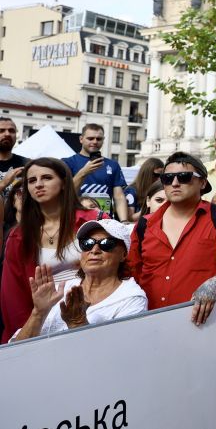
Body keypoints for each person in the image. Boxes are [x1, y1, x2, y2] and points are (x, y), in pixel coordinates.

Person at [128, 151, 216, 323]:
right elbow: (131, 271)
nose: (175, 183)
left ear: (202, 182)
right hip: (150, 320)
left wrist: (214, 283)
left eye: (184, 177)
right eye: (167, 178)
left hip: (203, 323)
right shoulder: (144, 224)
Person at [0, 158, 99, 342]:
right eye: (32, 180)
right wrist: (27, 335)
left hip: (97, 311)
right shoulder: (18, 236)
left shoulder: (94, 221)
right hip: (45, 320)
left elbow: (120, 269)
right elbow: (13, 296)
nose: (38, 184)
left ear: (64, 183)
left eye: (46, 177)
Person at [11, 219, 147, 341]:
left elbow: (120, 353)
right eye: (87, 243)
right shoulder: (58, 291)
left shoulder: (132, 299)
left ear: (124, 254)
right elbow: (17, 349)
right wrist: (39, 312)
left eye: (106, 244)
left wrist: (78, 324)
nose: (94, 250)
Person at [62, 124, 129, 221]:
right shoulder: (67, 162)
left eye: (99, 139)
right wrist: (84, 172)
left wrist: (124, 221)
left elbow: (119, 196)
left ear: (103, 140)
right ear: (81, 139)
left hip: (104, 220)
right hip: (77, 219)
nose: (95, 142)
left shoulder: (113, 165)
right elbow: (65, 194)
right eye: (90, 138)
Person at [0, 116, 26, 199]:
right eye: (1, 131)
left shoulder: (26, 164)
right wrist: (3, 184)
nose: (7, 134)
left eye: (11, 131)